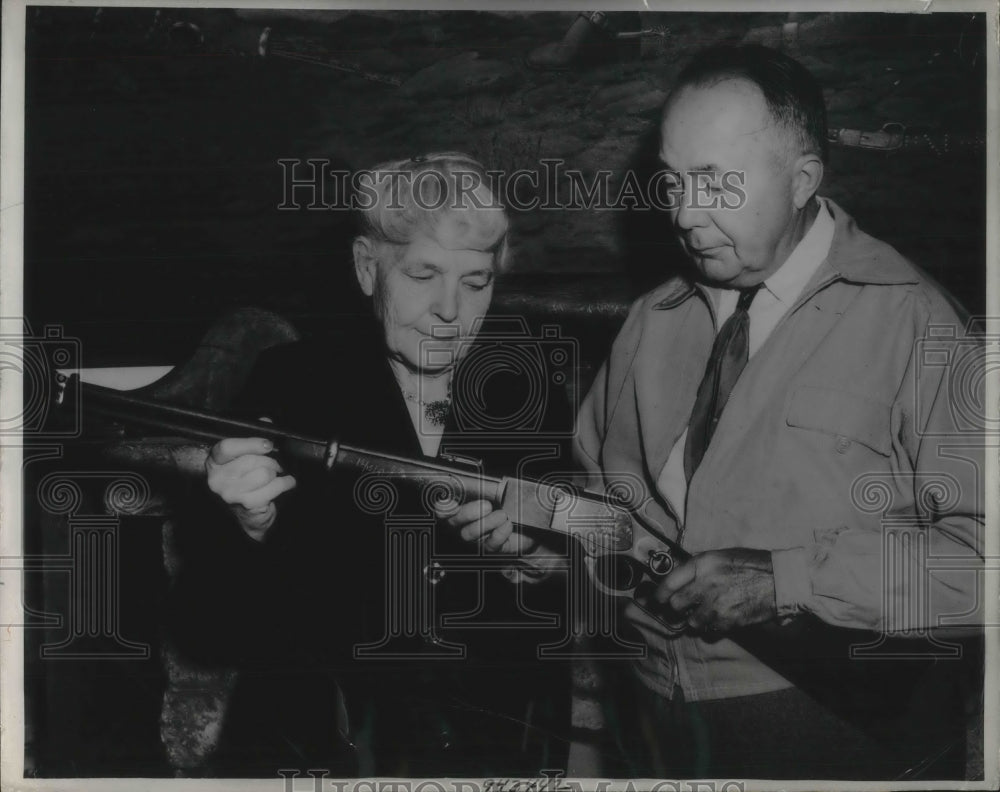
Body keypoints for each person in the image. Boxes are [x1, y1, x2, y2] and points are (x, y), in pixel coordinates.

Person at [445, 45, 985, 780]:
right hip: (652, 714)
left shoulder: (918, 323)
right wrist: (541, 551)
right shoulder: (651, 320)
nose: (683, 213)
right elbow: (611, 519)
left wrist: (785, 580)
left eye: (715, 182)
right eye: (672, 181)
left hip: (834, 728)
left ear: (803, 180)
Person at [168, 152, 573, 777]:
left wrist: (541, 561)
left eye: (475, 282)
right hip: (328, 737)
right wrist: (248, 528)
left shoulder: (528, 385)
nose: (449, 311)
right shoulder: (292, 383)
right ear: (366, 267)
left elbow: (585, 582)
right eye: (421, 274)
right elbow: (216, 622)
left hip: (490, 736)